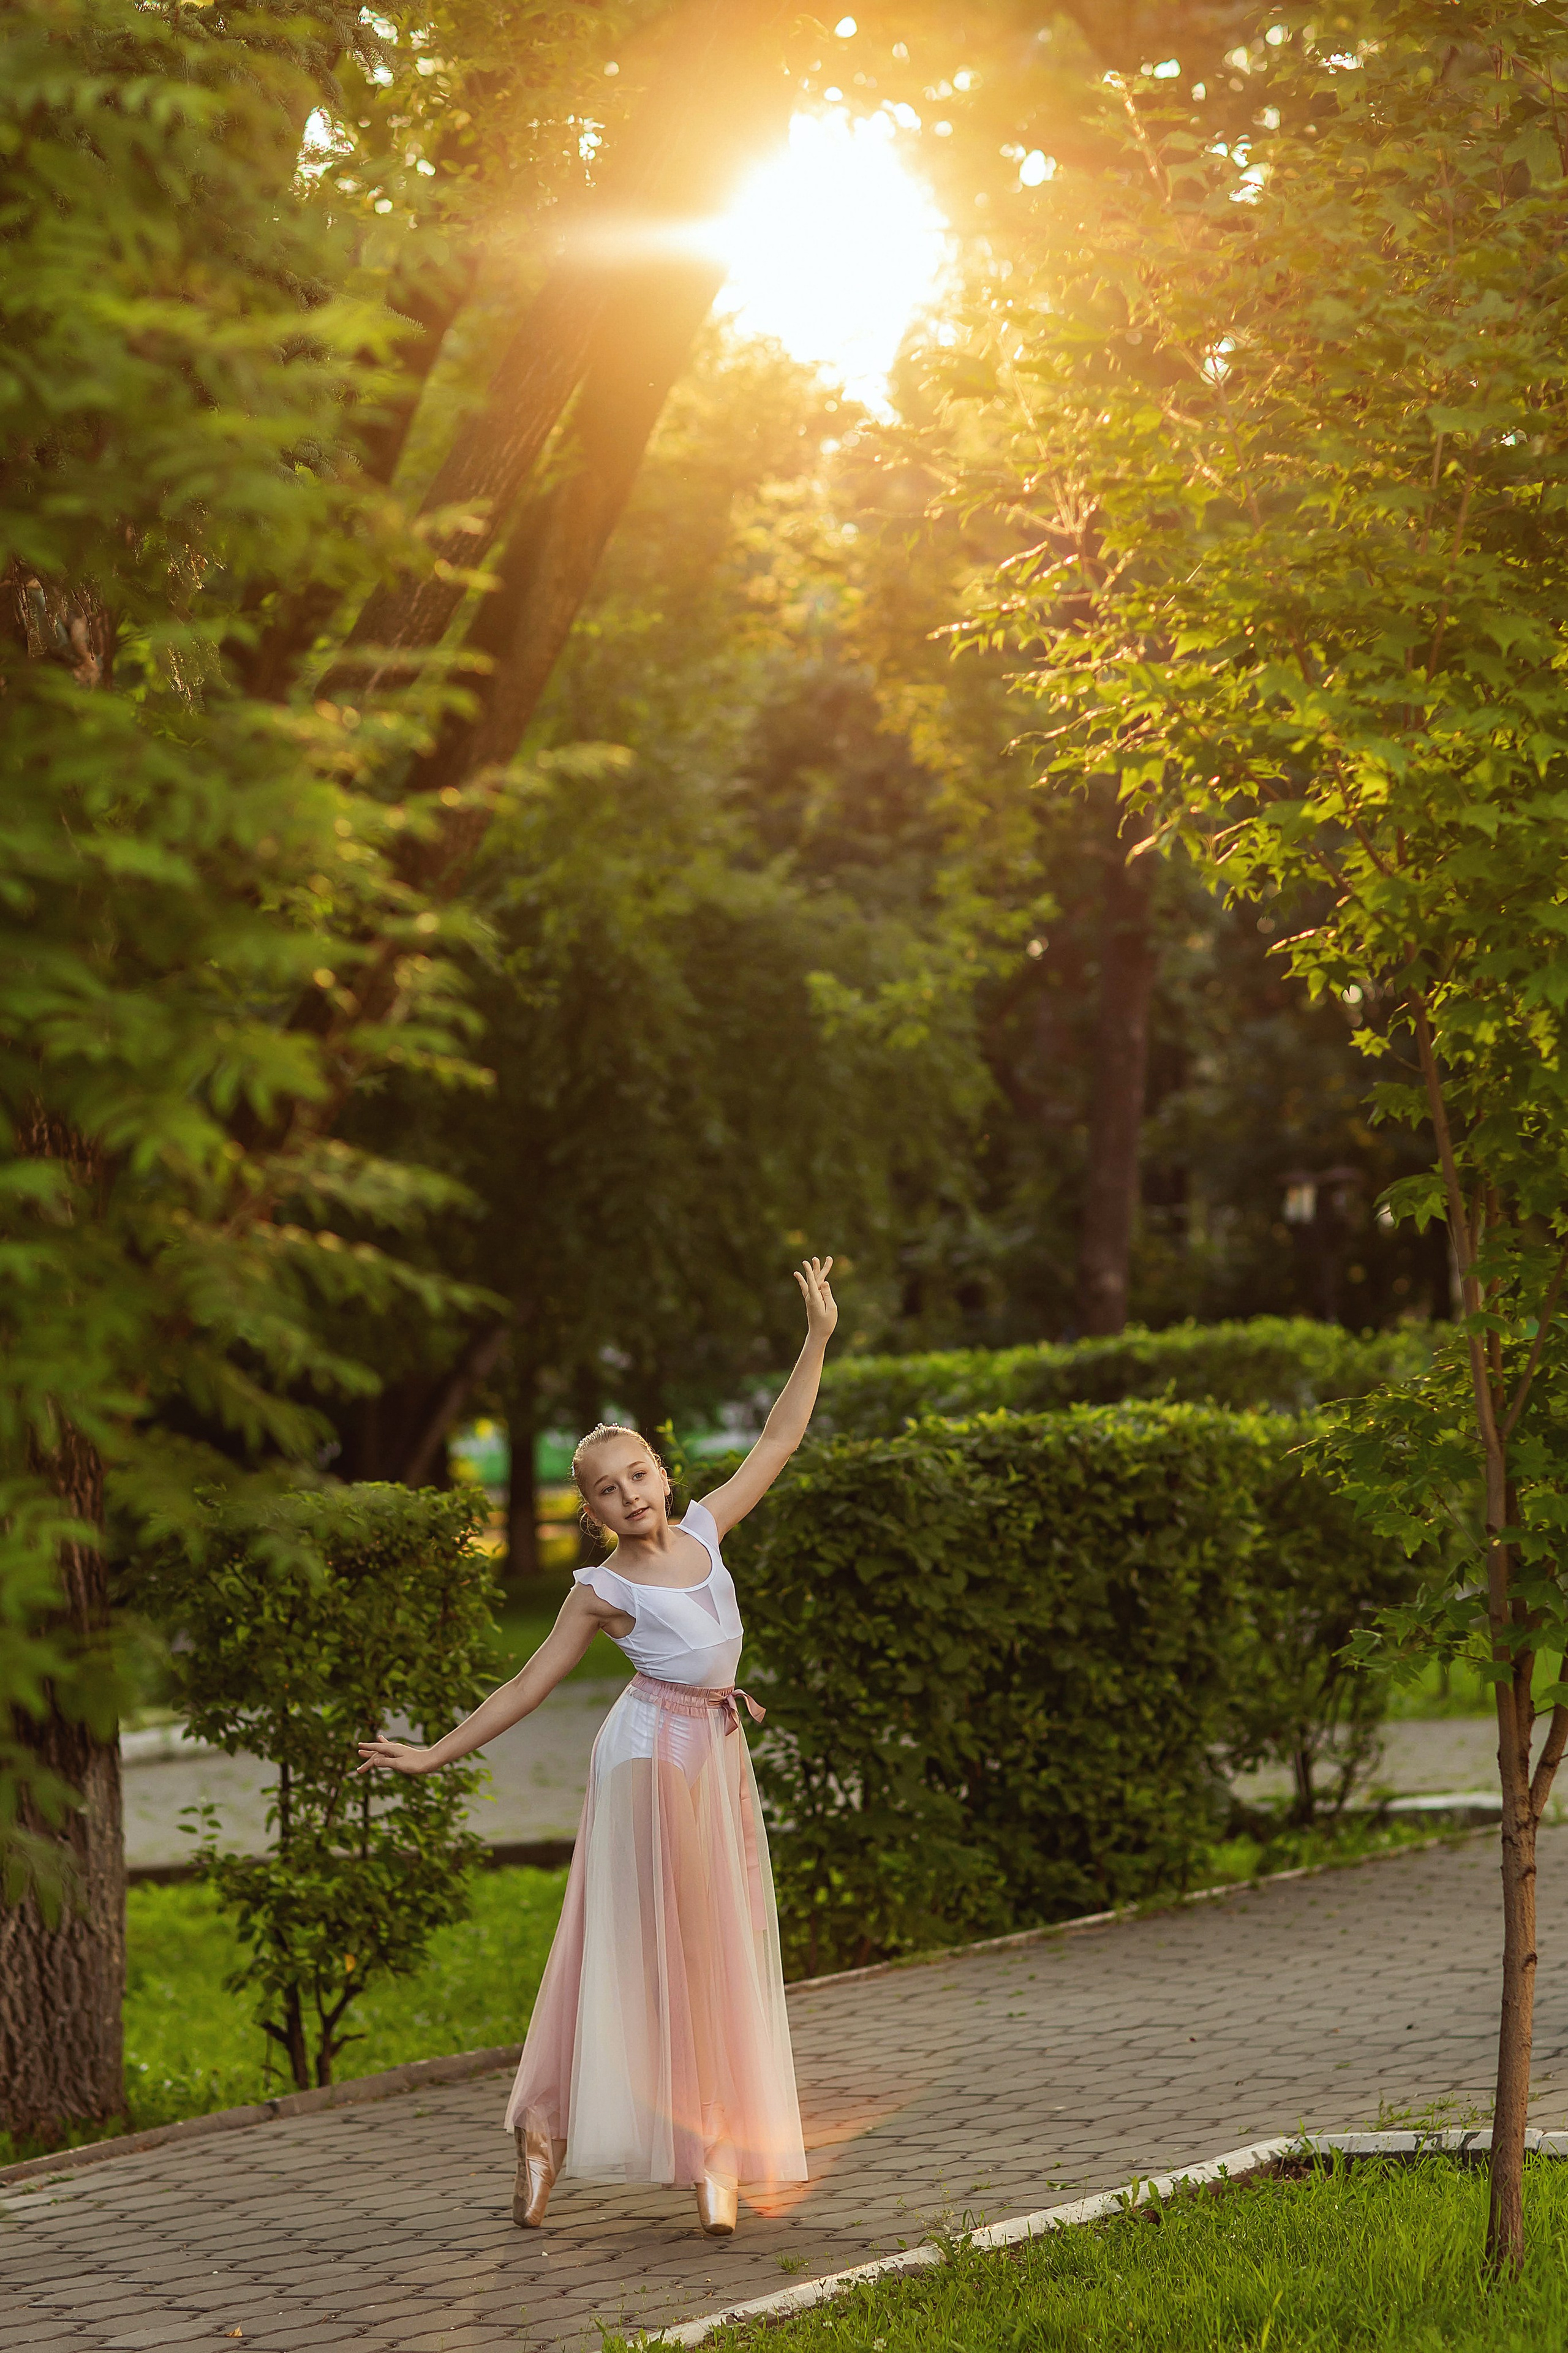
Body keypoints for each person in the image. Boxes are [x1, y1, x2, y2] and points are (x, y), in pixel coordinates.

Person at [356, 1256, 839, 2238]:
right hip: (650, 1757)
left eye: (639, 1474)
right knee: (676, 1952)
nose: (630, 1495)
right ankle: (693, 2146)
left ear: (664, 1473)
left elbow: (781, 1438)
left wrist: (817, 1335)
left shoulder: (708, 1530)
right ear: (592, 1511)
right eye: (608, 1490)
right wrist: (433, 1754)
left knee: (696, 1947)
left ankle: (564, 2131)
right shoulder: (601, 1590)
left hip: (714, 1752)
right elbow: (526, 1686)